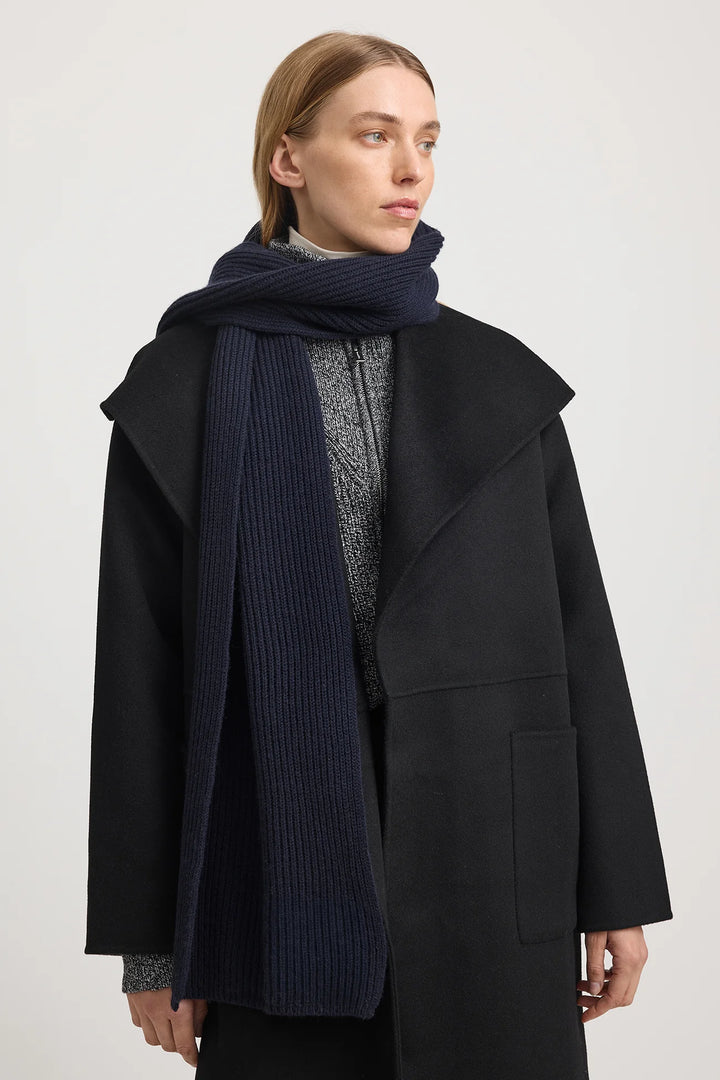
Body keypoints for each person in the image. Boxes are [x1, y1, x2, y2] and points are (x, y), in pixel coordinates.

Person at [84, 30, 673, 1080]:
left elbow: (583, 638)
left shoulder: (501, 379)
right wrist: (151, 944)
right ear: (288, 156)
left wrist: (614, 889)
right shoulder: (180, 391)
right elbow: (140, 677)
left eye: (428, 141)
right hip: (273, 876)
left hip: (495, 865)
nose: (412, 170)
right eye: (374, 136)